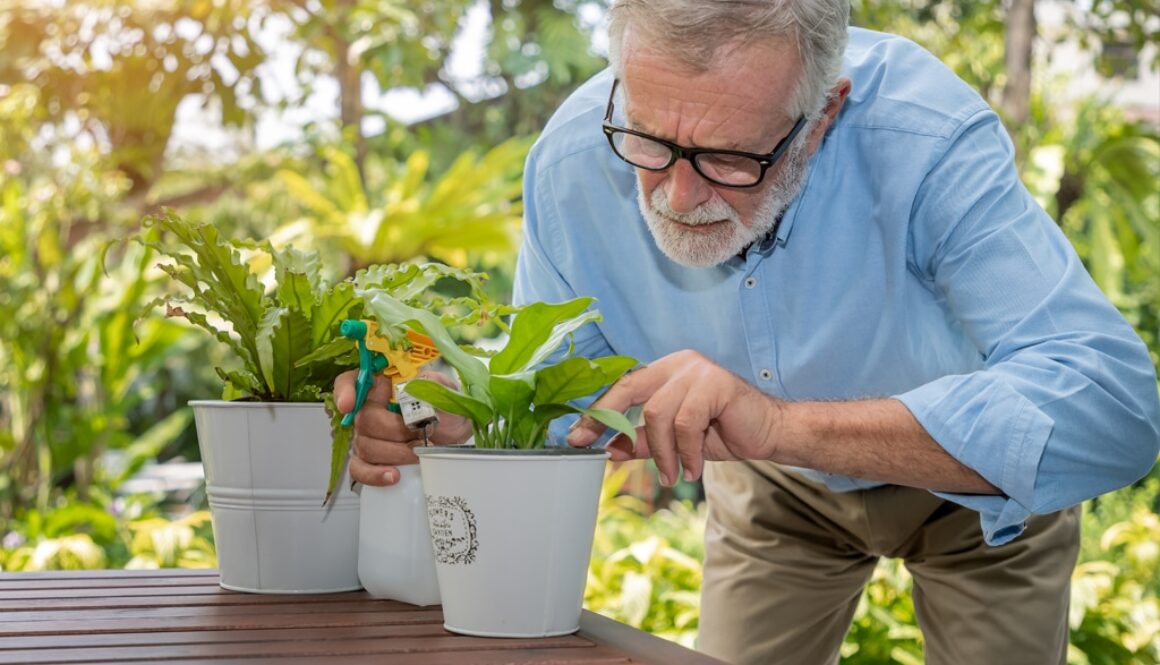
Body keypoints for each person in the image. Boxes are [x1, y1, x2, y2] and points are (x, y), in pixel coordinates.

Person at [335, 1, 1160, 663]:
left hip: (975, 487)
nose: (677, 196)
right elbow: (564, 389)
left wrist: (781, 424)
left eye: (731, 159)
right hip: (772, 485)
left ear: (824, 112)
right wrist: (456, 416)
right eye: (650, 141)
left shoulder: (926, 135)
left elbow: (1117, 412)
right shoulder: (571, 162)